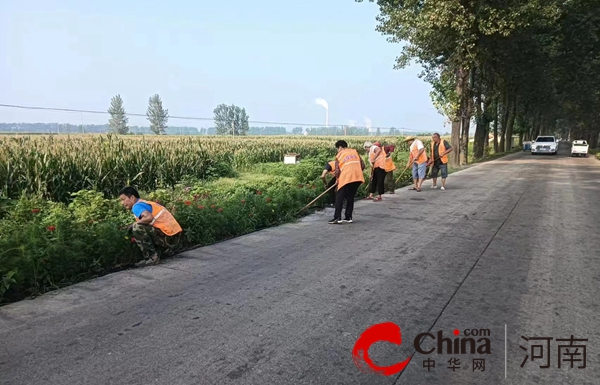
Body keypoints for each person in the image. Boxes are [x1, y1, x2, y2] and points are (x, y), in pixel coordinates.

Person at [119, 186, 183, 265]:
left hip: (169, 236)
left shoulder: (137, 206)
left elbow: (149, 217)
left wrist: (133, 224)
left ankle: (152, 258)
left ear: (132, 197)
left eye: (123, 199)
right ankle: (165, 251)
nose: (122, 203)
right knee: (141, 225)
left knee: (137, 227)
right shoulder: (143, 203)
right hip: (174, 237)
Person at [329, 140, 365, 224]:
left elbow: (337, 171)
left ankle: (337, 217)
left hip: (347, 177)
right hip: (357, 177)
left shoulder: (340, 155)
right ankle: (348, 217)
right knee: (350, 197)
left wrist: (337, 180)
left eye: (337, 149)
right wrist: (356, 172)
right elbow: (363, 165)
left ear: (340, 147)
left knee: (339, 197)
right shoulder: (354, 152)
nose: (338, 151)